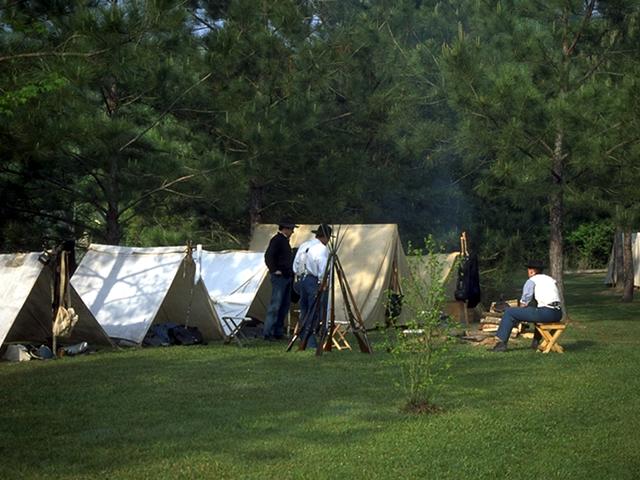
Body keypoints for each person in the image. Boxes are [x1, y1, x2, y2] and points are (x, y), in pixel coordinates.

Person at [492, 259, 562, 352]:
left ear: (532, 271)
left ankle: (501, 344)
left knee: (509, 312)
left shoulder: (532, 281)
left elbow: (524, 303)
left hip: (546, 313)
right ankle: (535, 342)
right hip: (558, 313)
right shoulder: (549, 279)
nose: (527, 271)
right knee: (536, 312)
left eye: (528, 269)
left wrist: (517, 312)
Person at [292, 223, 332, 348]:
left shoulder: (305, 245)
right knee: (314, 311)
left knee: (305, 310)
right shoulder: (321, 248)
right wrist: (323, 282)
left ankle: (304, 337)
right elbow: (323, 266)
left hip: (302, 279)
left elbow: (296, 265)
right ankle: (309, 341)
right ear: (326, 237)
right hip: (313, 281)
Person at [262, 218, 298, 340]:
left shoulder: (284, 241)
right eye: (291, 229)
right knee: (275, 305)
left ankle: (278, 331)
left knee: (284, 305)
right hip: (279, 276)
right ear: (285, 229)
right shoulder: (277, 240)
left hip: (287, 276)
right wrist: (274, 269)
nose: (292, 231)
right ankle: (268, 332)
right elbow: (268, 256)